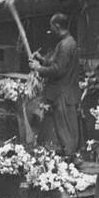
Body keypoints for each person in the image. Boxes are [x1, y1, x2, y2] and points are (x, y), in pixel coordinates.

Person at [31, 13, 81, 157]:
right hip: (65, 93)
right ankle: (69, 156)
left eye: (52, 26)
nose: (51, 29)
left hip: (62, 94)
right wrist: (41, 59)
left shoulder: (66, 45)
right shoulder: (67, 42)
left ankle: (69, 158)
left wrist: (38, 68)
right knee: (66, 129)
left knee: (65, 130)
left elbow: (58, 70)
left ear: (57, 26)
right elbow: (57, 63)